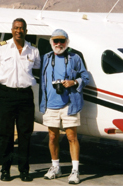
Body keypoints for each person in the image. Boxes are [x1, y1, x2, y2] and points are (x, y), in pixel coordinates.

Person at [0, 18, 40, 182]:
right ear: (11, 30)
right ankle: (5, 170)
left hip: (26, 96)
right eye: (16, 28)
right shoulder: (2, 48)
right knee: (6, 134)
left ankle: (24, 170)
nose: (18, 31)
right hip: (6, 95)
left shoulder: (33, 51)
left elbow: (39, 70)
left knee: (25, 135)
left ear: (26, 31)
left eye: (21, 28)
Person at [39, 29, 89, 184]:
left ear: (67, 42)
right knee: (53, 137)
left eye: (62, 41)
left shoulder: (75, 58)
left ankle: (75, 171)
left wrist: (74, 82)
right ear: (51, 42)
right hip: (50, 104)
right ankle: (55, 167)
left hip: (69, 104)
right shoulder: (46, 58)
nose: (58, 44)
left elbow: (85, 76)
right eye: (55, 41)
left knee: (71, 137)